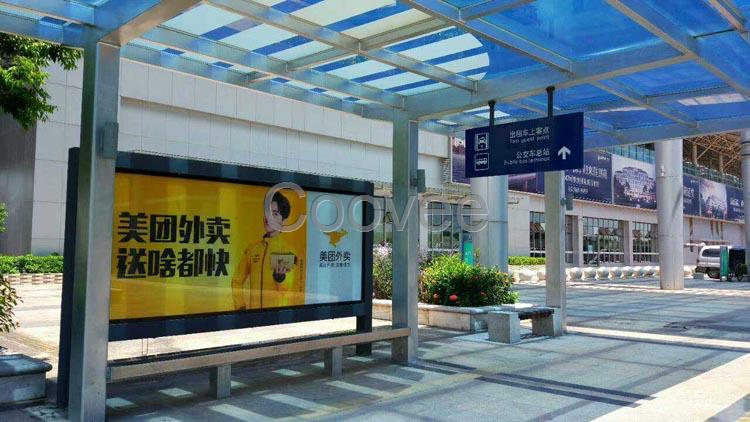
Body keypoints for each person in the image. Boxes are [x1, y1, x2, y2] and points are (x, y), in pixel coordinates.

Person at [231, 191, 304, 310]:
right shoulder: (252, 249)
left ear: (283, 220)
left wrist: (280, 278)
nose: (268, 217)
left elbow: (290, 290)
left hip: (277, 317)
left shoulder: (290, 252)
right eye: (267, 212)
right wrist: (240, 307)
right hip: (254, 316)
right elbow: (236, 281)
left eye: (275, 214)